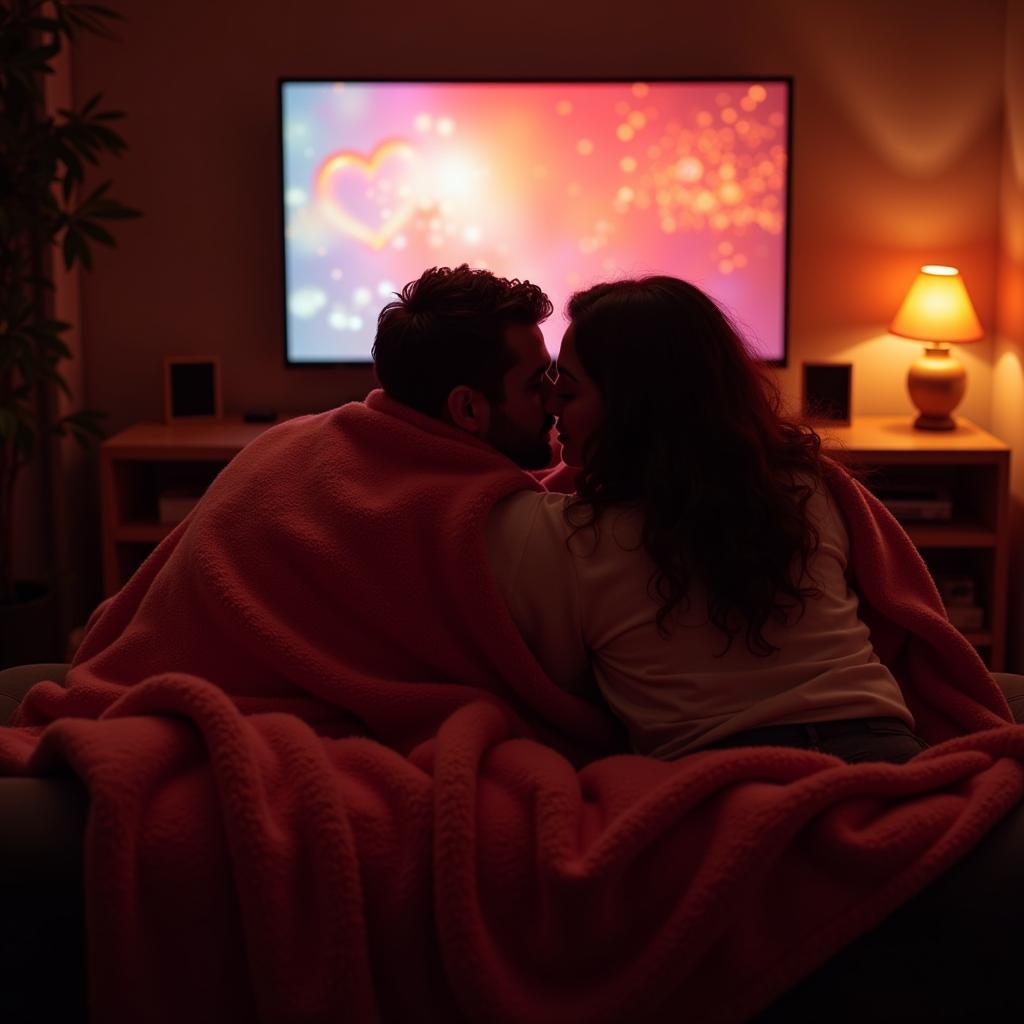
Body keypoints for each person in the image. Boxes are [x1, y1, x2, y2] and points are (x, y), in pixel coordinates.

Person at [484, 275, 930, 765]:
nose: (549, 405)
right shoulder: (804, 484)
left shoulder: (563, 534)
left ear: (633, 411)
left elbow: (563, 694)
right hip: (886, 749)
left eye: (566, 393)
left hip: (725, 773)